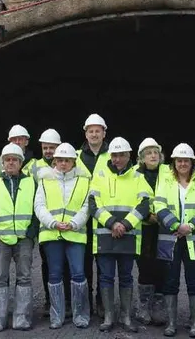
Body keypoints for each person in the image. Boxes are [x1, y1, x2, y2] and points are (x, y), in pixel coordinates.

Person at [90, 137, 153, 332]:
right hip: (105, 235)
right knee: (106, 277)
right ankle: (109, 317)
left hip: (128, 235)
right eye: (114, 155)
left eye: (121, 155)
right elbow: (92, 204)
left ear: (129, 156)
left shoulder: (138, 177)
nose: (117, 159)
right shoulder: (99, 175)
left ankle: (125, 317)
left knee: (126, 277)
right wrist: (112, 223)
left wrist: (124, 224)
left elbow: (144, 205)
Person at [34, 143, 92, 330]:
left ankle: (81, 315)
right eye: (60, 160)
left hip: (75, 232)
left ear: (74, 161)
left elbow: (86, 206)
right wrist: (53, 223)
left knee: (78, 273)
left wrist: (75, 223)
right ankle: (56, 316)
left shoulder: (84, 181)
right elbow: (39, 206)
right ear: (55, 161)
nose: (63, 163)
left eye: (67, 160)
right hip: (52, 233)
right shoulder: (45, 180)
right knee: (54, 274)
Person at [0, 143, 39, 332]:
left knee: (24, 277)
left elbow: (37, 210)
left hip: (24, 238)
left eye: (15, 160)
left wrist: (31, 234)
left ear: (21, 163)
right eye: (7, 160)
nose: (11, 163)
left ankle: (21, 318)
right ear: (3, 163)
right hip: (1, 239)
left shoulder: (31, 183)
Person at [154, 143, 195, 338]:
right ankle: (171, 323)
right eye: (179, 160)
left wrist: (190, 227)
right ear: (174, 162)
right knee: (170, 281)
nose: (182, 163)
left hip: (194, 239)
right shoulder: (166, 182)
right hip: (171, 239)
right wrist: (176, 226)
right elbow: (159, 205)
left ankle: (194, 323)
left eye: (186, 160)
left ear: (192, 162)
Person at [24, 128, 64, 316]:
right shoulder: (33, 167)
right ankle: (50, 301)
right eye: (46, 147)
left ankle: (68, 302)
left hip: (66, 223)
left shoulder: (68, 162)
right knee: (47, 264)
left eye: (52, 147)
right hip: (43, 224)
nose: (49, 151)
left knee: (67, 265)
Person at [77, 113, 109, 316]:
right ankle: (86, 300)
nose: (94, 134)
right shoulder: (76, 156)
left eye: (98, 130)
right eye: (91, 131)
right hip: (83, 218)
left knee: (104, 262)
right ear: (86, 133)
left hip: (105, 216)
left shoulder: (113, 155)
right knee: (84, 261)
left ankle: (102, 301)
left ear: (104, 133)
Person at [135, 137, 167, 326]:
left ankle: (159, 305)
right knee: (145, 264)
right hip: (143, 226)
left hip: (164, 225)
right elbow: (131, 197)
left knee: (163, 264)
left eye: (155, 152)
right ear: (142, 157)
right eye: (148, 153)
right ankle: (144, 305)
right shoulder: (134, 174)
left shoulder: (168, 172)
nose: (153, 156)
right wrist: (146, 215)